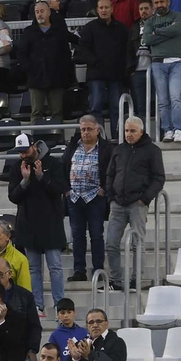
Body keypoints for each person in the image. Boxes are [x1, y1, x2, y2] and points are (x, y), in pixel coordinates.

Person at [104, 117, 165, 291]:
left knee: (136, 243)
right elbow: (110, 174)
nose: (128, 134)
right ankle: (115, 280)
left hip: (137, 204)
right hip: (117, 203)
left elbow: (159, 177)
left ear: (141, 131)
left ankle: (136, 279)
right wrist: (111, 196)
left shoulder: (153, 151)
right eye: (126, 131)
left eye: (132, 131)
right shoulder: (119, 149)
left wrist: (145, 198)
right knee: (111, 243)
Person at [9, 138, 68, 309]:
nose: (23, 155)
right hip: (28, 226)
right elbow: (13, 196)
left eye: (26, 151)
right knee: (33, 269)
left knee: (55, 267)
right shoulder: (17, 168)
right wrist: (25, 181)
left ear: (34, 146)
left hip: (51, 224)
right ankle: (37, 305)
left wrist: (42, 176)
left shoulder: (53, 164)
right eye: (20, 152)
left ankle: (60, 306)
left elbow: (60, 189)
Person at [62, 117, 112, 283]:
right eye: (83, 129)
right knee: (77, 236)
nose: (85, 132)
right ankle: (79, 271)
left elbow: (112, 170)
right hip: (75, 198)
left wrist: (104, 189)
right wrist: (67, 191)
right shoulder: (72, 147)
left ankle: (98, 270)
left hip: (95, 198)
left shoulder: (105, 148)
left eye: (89, 129)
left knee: (96, 235)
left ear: (97, 130)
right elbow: (63, 169)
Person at [14, 2, 77, 123]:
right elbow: (21, 54)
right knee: (36, 112)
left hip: (56, 78)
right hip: (35, 78)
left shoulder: (58, 32)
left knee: (57, 112)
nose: (39, 14)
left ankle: (57, 138)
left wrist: (61, 70)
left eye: (42, 11)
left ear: (49, 12)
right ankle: (36, 140)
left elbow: (65, 54)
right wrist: (30, 69)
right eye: (37, 12)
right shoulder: (28, 32)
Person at [81, 0, 130, 131]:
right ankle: (99, 139)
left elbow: (127, 50)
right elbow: (83, 50)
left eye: (106, 7)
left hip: (116, 75)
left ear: (112, 9)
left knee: (116, 108)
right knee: (96, 107)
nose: (103, 10)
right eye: (101, 8)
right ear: (97, 10)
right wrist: (95, 62)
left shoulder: (122, 29)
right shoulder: (89, 28)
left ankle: (117, 137)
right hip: (96, 75)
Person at [146, 0, 181, 142]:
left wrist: (158, 32)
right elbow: (148, 40)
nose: (159, 5)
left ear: (168, 2)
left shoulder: (179, 16)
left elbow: (178, 29)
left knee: (176, 98)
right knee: (163, 101)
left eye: (162, 1)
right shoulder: (150, 21)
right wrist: (168, 33)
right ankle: (167, 130)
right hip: (157, 64)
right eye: (156, 3)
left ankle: (178, 130)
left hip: (176, 62)